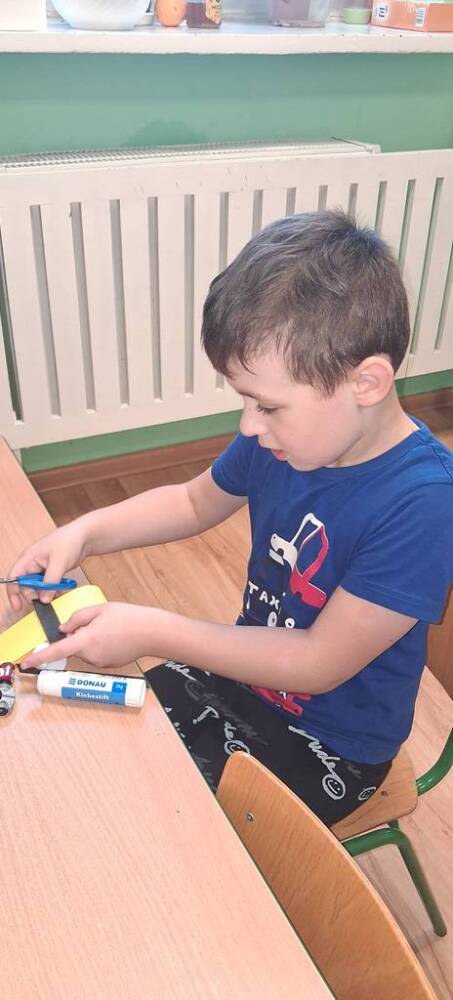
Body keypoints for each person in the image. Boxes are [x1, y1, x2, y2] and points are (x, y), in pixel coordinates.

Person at [10, 210, 453, 827]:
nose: (249, 424)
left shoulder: (425, 503)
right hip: (240, 677)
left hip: (330, 747)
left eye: (266, 405)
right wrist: (82, 533)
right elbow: (193, 502)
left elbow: (318, 664)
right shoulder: (284, 439)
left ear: (367, 382)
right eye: (244, 400)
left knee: (157, 829)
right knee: (93, 763)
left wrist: (155, 630)